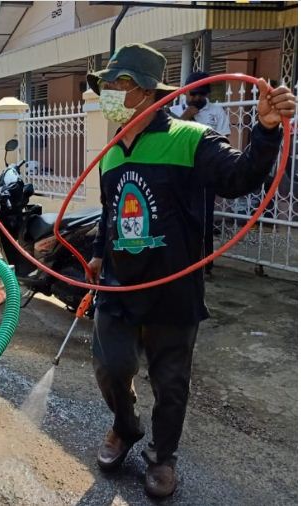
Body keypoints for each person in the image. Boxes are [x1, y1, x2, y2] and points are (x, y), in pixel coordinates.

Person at [85, 43, 295, 498]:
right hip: (119, 285)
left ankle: (163, 457)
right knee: (109, 365)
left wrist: (266, 129)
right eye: (104, 86)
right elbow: (109, 212)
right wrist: (100, 253)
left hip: (173, 287)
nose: (107, 94)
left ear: (143, 92)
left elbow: (240, 177)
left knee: (171, 383)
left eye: (116, 86)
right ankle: (126, 425)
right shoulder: (112, 152)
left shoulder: (190, 139)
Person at [170, 71, 231, 276]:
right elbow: (169, 140)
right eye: (193, 94)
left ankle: (206, 263)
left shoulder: (216, 111)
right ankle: (181, 259)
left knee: (204, 218)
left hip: (205, 173)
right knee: (178, 216)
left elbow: (224, 141)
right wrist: (186, 116)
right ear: (185, 93)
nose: (197, 99)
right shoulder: (174, 111)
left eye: (201, 95)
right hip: (180, 172)